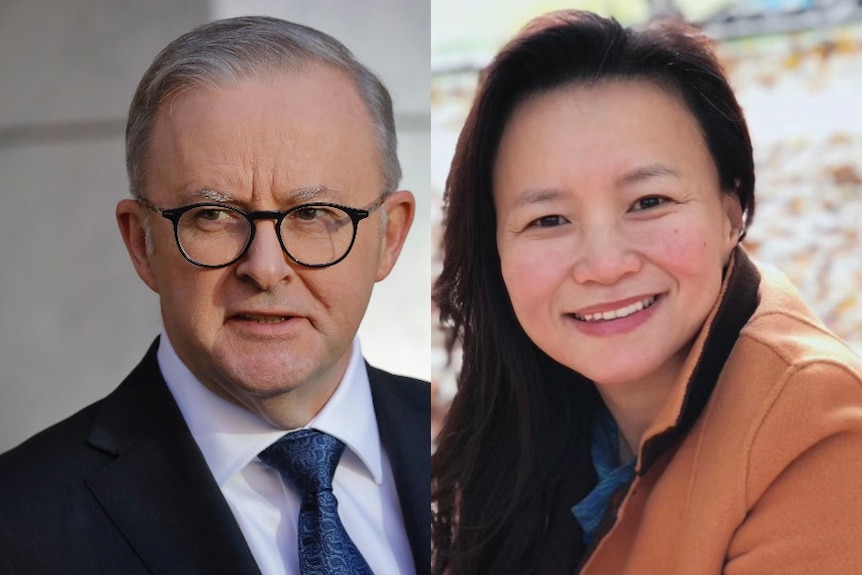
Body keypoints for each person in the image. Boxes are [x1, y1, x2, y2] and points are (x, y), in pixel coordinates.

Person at [432, 10, 862, 574]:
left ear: (731, 212)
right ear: (495, 252)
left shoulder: (816, 434)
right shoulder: (527, 411)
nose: (604, 266)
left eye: (648, 202)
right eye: (548, 219)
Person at [0, 16, 429, 575]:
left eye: (313, 214)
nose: (266, 268)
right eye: (213, 215)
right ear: (141, 243)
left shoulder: (499, 452)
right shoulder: (19, 527)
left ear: (390, 237)